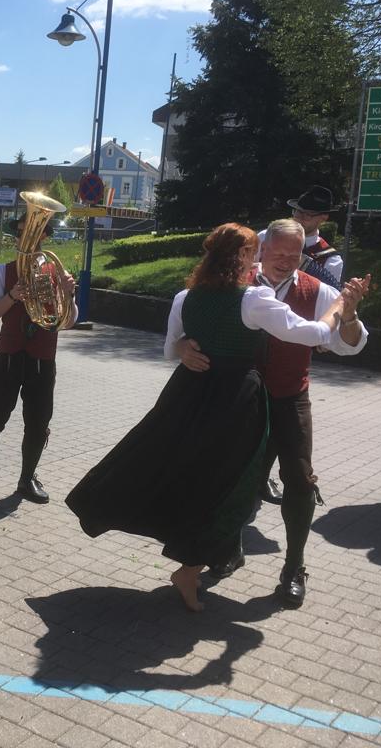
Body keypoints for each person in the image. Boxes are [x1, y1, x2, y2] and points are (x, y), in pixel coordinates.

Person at [66, 223, 352, 612]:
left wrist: (183, 347)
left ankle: (219, 557)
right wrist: (340, 306)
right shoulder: (254, 298)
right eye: (255, 251)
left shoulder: (187, 296)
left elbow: (169, 349)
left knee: (199, 476)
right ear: (246, 256)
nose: (262, 258)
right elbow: (314, 333)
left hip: (193, 396)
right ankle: (196, 564)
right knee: (229, 485)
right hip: (236, 401)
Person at [176, 219, 370, 607]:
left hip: (289, 396)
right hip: (238, 399)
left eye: (293, 255)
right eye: (278, 253)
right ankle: (227, 550)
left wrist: (348, 314)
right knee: (231, 479)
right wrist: (181, 345)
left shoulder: (317, 290)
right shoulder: (232, 282)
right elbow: (192, 319)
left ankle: (294, 568)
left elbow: (350, 345)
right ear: (262, 251)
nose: (285, 261)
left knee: (299, 480)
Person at [0, 216, 77, 506]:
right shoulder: (1, 272)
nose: (25, 240)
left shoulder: (55, 272)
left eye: (34, 235)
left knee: (38, 423)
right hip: (8, 357)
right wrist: (12, 296)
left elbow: (67, 322)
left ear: (44, 239)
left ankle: (27, 479)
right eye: (22, 234)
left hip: (42, 359)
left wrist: (68, 294)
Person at [259, 185, 343, 287]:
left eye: (308, 214)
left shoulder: (331, 260)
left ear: (324, 217)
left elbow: (330, 294)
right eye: (298, 211)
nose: (300, 218)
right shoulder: (266, 236)